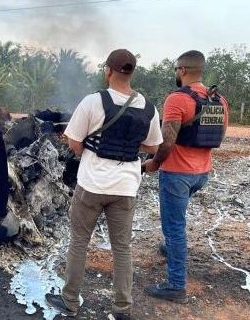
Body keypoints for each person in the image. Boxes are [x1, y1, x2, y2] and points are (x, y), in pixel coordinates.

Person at [45, 49, 163, 320]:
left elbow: (74, 143)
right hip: (125, 188)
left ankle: (70, 301)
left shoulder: (92, 101)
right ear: (132, 72)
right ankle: (123, 309)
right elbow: (153, 146)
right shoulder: (148, 107)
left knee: (79, 242)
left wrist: (87, 148)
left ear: (108, 70)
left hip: (91, 185)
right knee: (122, 248)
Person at [143, 50, 229, 303]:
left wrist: (155, 162)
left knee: (175, 228)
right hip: (202, 173)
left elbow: (167, 140)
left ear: (181, 70)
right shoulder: (219, 100)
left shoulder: (177, 99)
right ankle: (170, 249)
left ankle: (176, 285)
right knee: (176, 224)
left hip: (177, 174)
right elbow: (219, 136)